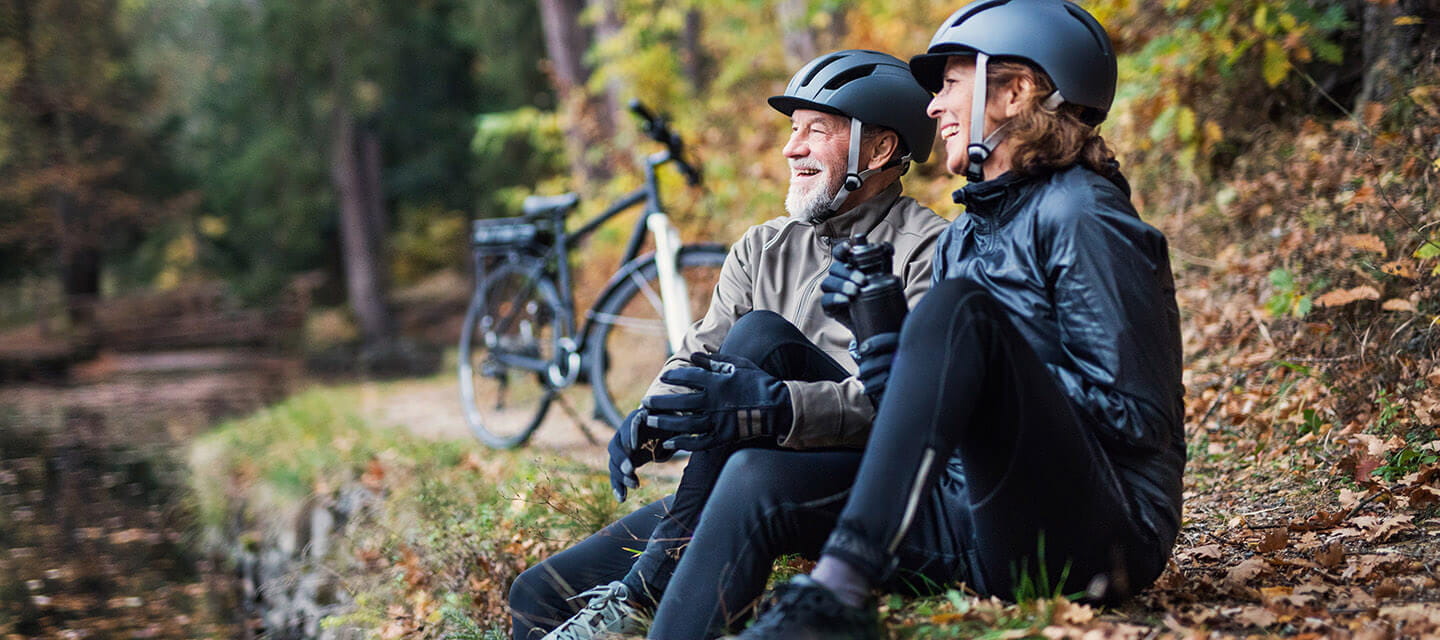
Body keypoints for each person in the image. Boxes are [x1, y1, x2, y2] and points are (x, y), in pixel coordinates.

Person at [723, 1, 1187, 637]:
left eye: (949, 85)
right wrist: (888, 343)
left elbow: (1141, 419)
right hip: (975, 517)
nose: (933, 106)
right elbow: (926, 425)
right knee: (758, 479)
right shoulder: (966, 233)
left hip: (1101, 540)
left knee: (959, 311)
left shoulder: (1084, 215)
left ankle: (843, 588)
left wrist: (990, 357)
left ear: (1016, 90)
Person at [507, 49, 949, 640]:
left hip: (851, 478)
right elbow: (700, 354)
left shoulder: (930, 251)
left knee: (763, 337)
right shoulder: (763, 246)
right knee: (537, 594)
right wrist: (654, 413)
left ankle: (649, 588)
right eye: (793, 131)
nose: (792, 149)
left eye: (816, 131)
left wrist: (778, 404)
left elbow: (910, 406)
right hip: (737, 474)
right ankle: (646, 586)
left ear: (879, 150)